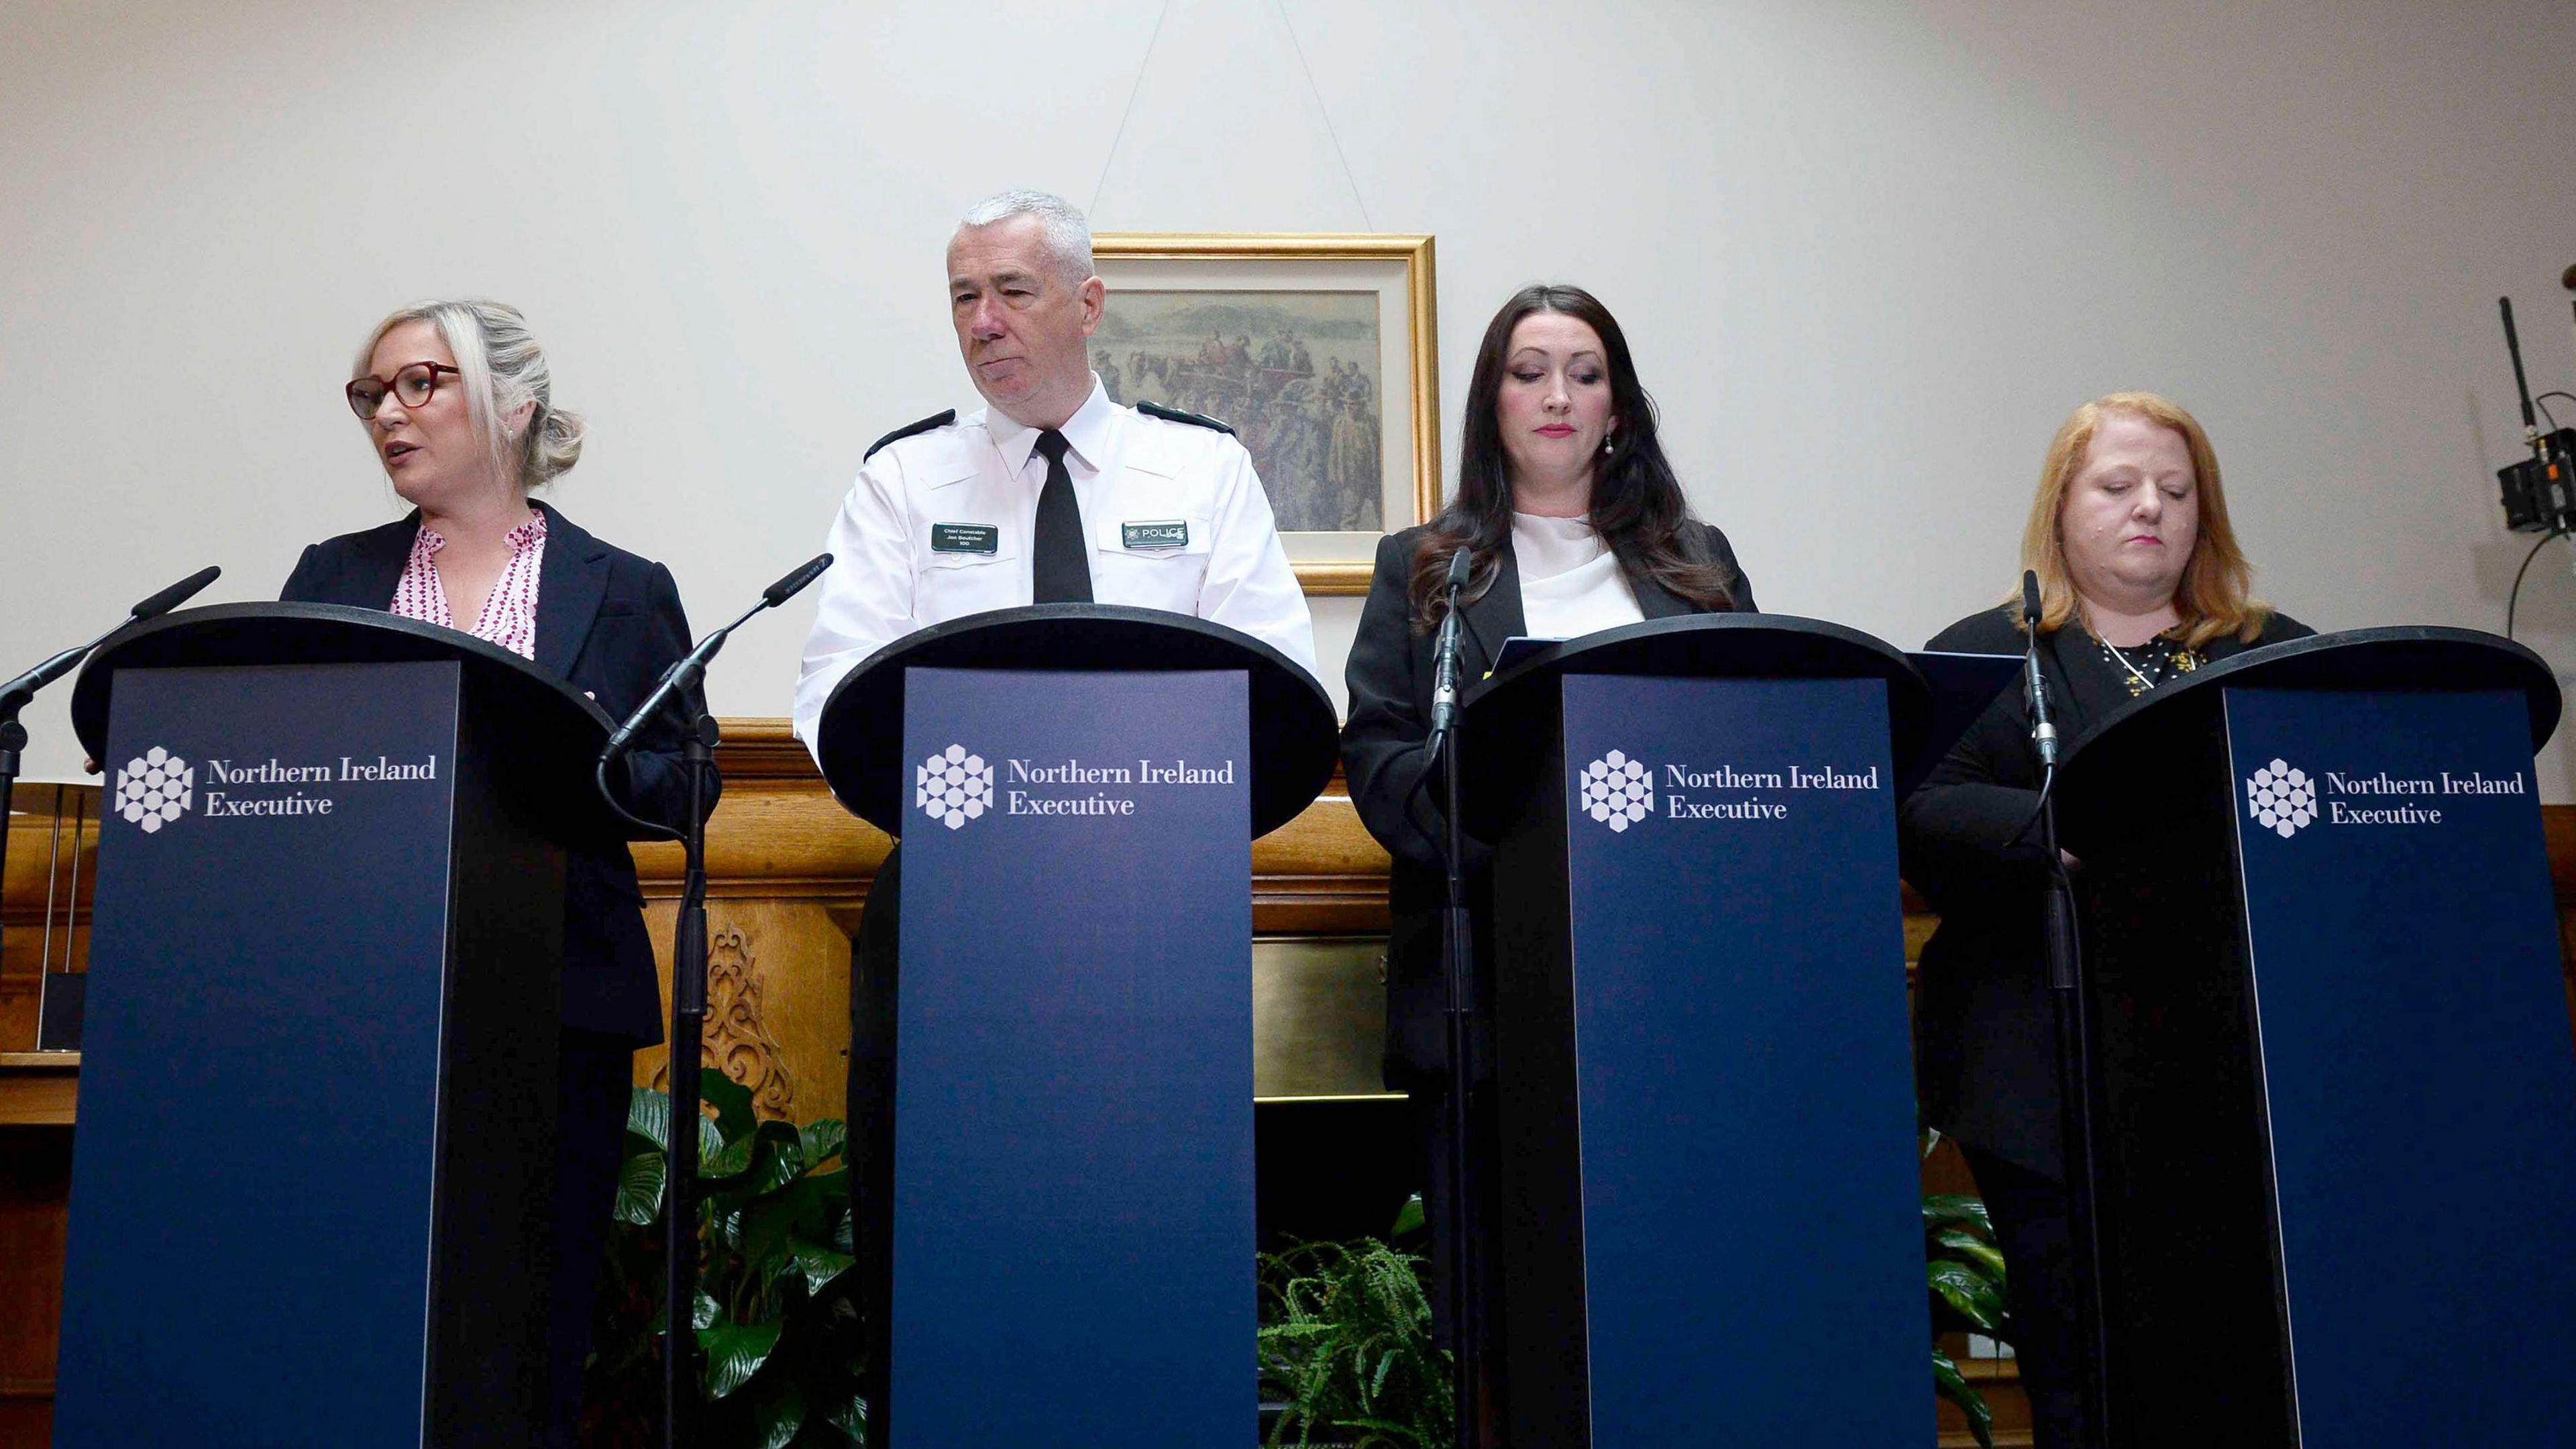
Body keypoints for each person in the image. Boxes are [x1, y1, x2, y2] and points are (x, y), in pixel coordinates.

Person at [792, 187, 1316, 1435]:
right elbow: (829, 700)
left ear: (1089, 303)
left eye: (1012, 292)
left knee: (1148, 1229)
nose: (984, 323)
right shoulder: (905, 476)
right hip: (955, 913)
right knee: (942, 1237)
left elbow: (1279, 683)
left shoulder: (1204, 466)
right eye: (964, 296)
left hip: (1152, 916)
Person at [280, 299, 707, 1446]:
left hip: (558, 995)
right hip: (364, 997)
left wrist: (583, 750)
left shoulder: (620, 585)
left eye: (423, 383)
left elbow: (690, 783)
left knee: (536, 1301)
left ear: (512, 407)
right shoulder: (332, 573)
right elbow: (282, 756)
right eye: (375, 393)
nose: (390, 414)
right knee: (366, 1298)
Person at [1338, 282, 1756, 1391]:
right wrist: (1501, 848)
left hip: (1668, 991)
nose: (1557, 395)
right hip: (1489, 989)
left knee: (1666, 1308)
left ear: (1617, 407)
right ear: (1494, 403)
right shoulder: (1425, 565)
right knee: (1499, 1328)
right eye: (1530, 372)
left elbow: (1751, 739)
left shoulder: (1700, 564)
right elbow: (1379, 756)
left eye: (1584, 372)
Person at [1899, 390, 2312, 1448]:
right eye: (2119, 486)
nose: (2151, 510)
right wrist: (2066, 836)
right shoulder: (1986, 655)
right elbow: (1916, 808)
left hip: (2238, 1077)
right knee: (2077, 1359)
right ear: (2063, 507)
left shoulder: (2272, 657)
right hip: (2041, 1073)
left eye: (2177, 492)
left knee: (2236, 1363)